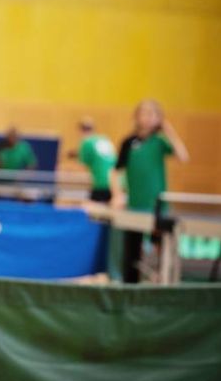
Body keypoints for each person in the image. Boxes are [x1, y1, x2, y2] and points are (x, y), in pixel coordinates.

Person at [110, 99, 189, 283]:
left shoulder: (160, 142)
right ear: (136, 117)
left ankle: (163, 280)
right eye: (143, 113)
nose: (146, 118)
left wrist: (169, 131)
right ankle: (130, 286)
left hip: (157, 206)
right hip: (135, 205)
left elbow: (183, 156)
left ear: (159, 119)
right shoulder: (128, 142)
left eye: (152, 114)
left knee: (162, 248)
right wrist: (117, 194)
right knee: (132, 253)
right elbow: (116, 171)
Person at [69, 117, 116, 203]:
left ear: (80, 130)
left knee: (91, 211)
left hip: (101, 184)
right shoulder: (105, 139)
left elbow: (81, 168)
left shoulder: (86, 142)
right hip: (116, 184)